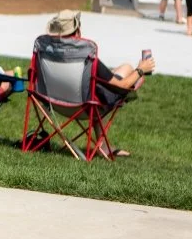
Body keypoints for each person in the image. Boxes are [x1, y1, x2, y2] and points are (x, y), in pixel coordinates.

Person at [46, 10, 155, 157]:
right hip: (84, 106)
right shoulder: (87, 58)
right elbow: (121, 86)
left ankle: (102, 145)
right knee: (128, 75)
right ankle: (102, 145)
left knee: (122, 69)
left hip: (54, 103)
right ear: (77, 32)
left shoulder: (45, 53)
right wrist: (140, 70)